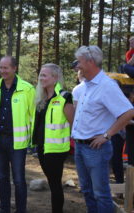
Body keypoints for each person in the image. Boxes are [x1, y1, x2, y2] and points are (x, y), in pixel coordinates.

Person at [72, 45, 134, 213]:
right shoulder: (85, 86)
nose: (77, 66)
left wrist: (107, 135)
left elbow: (128, 112)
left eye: (80, 62)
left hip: (96, 148)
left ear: (91, 62)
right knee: (87, 190)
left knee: (101, 194)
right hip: (80, 146)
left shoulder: (106, 85)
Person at [0, 56, 35, 213]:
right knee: (2, 178)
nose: (2, 71)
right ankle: (4, 208)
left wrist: (32, 141)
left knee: (19, 179)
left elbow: (33, 115)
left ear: (14, 68)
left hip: (18, 141)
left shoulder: (27, 89)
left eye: (6, 68)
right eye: (0, 67)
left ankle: (21, 209)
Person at [32, 63, 74, 213]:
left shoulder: (65, 97)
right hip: (43, 147)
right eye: (40, 75)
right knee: (52, 182)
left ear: (55, 78)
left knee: (55, 183)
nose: (41, 78)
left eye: (44, 75)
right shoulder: (41, 99)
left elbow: (72, 123)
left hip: (57, 149)